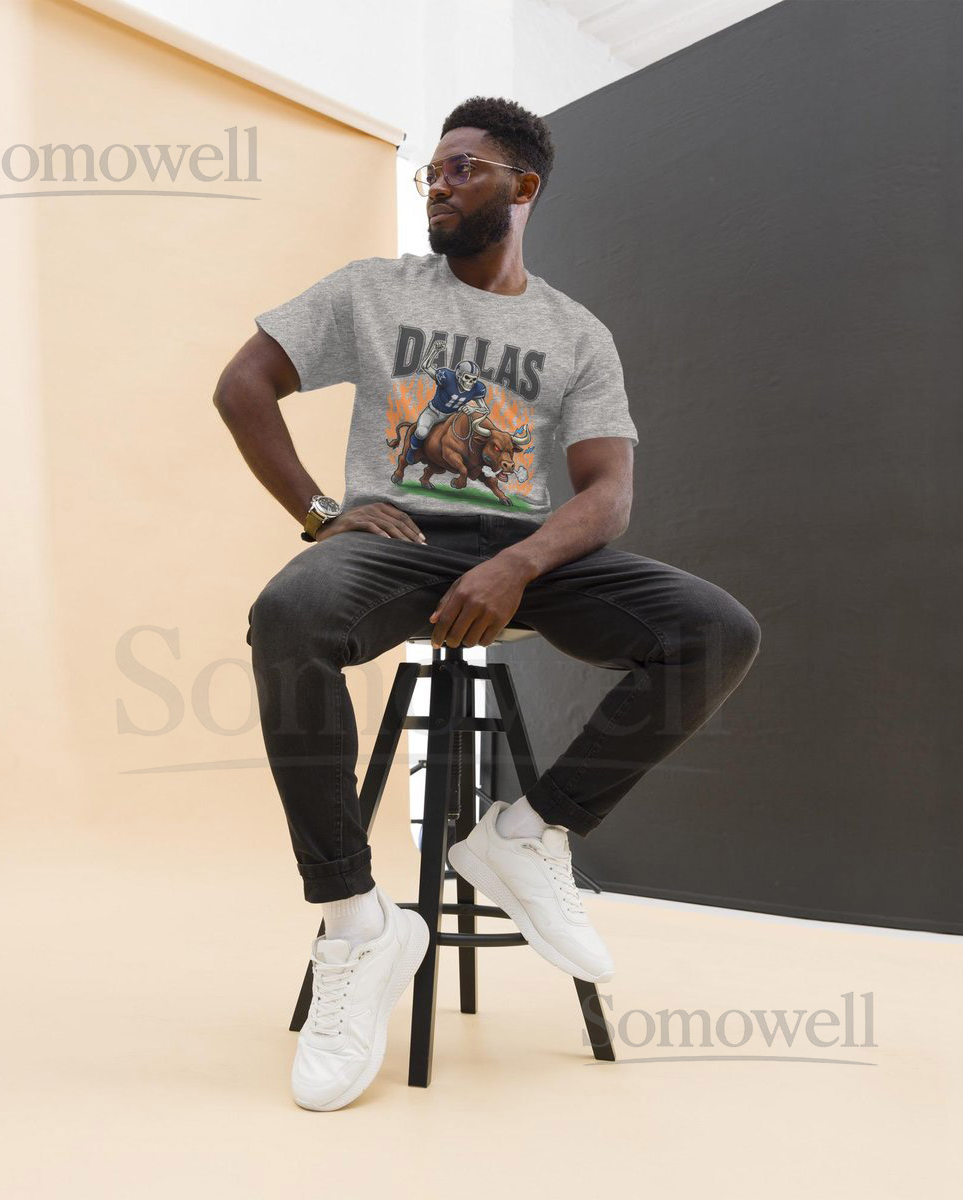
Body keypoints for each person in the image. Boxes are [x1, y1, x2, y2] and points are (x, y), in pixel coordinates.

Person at [213, 96, 762, 1111]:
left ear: (523, 187)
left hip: (527, 552)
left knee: (715, 631)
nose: (438, 184)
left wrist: (519, 565)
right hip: (397, 543)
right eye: (432, 170)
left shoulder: (575, 333)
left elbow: (607, 495)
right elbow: (241, 384)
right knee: (288, 617)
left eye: (462, 168)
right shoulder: (372, 290)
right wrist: (323, 514)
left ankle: (527, 832)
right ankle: (357, 923)